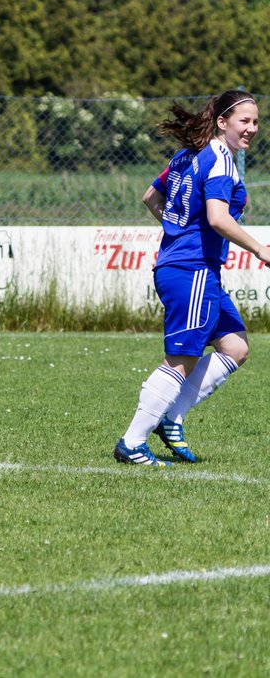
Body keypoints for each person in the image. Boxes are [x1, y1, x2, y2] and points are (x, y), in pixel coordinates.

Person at [114, 89, 270, 466]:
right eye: (243, 121)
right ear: (222, 122)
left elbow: (151, 196)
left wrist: (176, 227)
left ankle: (170, 418)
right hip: (192, 270)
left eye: (256, 122)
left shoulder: (188, 155)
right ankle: (132, 443)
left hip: (190, 269)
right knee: (179, 360)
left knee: (235, 348)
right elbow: (218, 218)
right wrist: (260, 249)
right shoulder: (219, 160)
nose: (251, 128)